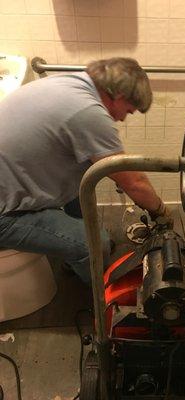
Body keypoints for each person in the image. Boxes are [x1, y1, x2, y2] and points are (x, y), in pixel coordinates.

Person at [0, 57, 172, 284]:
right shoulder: (87, 111)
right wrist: (161, 212)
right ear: (119, 96)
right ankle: (100, 298)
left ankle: (73, 250)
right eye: (128, 111)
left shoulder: (68, 84)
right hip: (6, 215)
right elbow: (134, 181)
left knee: (83, 182)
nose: (121, 118)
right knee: (96, 246)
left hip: (13, 185)